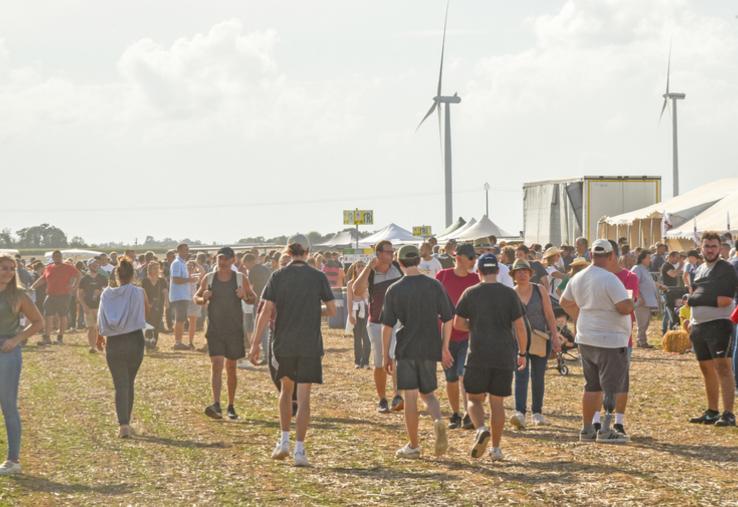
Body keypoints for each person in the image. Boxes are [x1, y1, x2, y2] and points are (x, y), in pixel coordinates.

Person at [249, 235, 336, 467]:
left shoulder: (278, 275)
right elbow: (332, 309)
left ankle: (284, 440)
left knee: (286, 392)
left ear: (288, 251)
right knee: (304, 397)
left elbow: (266, 311)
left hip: (284, 342)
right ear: (308, 251)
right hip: (310, 342)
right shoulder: (318, 276)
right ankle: (300, 450)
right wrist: (312, 309)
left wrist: (255, 343)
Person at [380, 245, 454, 459]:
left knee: (410, 397)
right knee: (429, 395)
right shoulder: (434, 285)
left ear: (400, 263)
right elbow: (448, 318)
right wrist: (445, 347)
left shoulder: (394, 289)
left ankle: (413, 445)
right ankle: (438, 420)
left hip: (406, 347)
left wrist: (386, 354)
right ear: (418, 261)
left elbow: (387, 326)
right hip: (430, 346)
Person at [453, 253, 527, 461]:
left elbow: (458, 323)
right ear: (497, 271)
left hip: (477, 353)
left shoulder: (470, 293)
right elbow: (520, 326)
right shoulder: (509, 294)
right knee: (497, 403)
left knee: (474, 400)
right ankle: (495, 448)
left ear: (478, 272)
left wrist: (474, 326)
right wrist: (522, 352)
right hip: (504, 354)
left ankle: (480, 429)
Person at [559, 239, 633, 444]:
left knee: (591, 385)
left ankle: (587, 429)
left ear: (591, 255)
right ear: (611, 256)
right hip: (610, 338)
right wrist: (631, 301)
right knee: (610, 385)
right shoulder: (610, 279)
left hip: (586, 337)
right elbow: (624, 308)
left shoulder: (578, 277)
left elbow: (564, 301)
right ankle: (606, 430)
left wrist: (579, 316)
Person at [194, 247, 257, 421]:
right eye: (219, 259)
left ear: (233, 260)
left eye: (225, 259)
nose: (221, 263)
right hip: (215, 329)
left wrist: (244, 296)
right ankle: (216, 404)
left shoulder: (240, 278)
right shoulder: (209, 278)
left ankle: (231, 405)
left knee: (231, 367)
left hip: (234, 329)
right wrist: (203, 298)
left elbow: (253, 298)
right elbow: (196, 298)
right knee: (216, 364)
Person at [687, 231, 738, 427]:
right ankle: (712, 411)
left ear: (720, 248)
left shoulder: (725, 269)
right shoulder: (699, 269)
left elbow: (725, 300)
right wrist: (691, 319)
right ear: (701, 248)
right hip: (698, 326)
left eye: (713, 246)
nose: (710, 250)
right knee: (706, 368)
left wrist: (694, 299)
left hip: (719, 324)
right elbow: (696, 295)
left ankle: (728, 413)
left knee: (723, 368)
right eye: (707, 246)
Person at [0, 256, 44, 475]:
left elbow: (38, 321)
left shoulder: (18, 295)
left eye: (11, 269)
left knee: (8, 405)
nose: (7, 272)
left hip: (7, 352)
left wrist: (16, 340)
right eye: (3, 268)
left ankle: (13, 460)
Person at [97, 259, 147, 438]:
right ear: (133, 274)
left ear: (116, 275)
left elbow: (100, 317)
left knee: (120, 384)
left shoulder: (106, 294)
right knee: (129, 382)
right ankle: (127, 421)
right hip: (134, 339)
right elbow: (146, 312)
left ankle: (123, 424)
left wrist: (99, 336)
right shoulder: (139, 292)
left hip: (114, 341)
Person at [353, 240, 404, 413]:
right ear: (379, 254)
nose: (392, 254)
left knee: (397, 357)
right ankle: (382, 399)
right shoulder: (371, 273)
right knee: (380, 362)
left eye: (392, 251)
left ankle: (398, 395)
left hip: (398, 321)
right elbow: (356, 290)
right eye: (389, 252)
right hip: (377, 322)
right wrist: (368, 267)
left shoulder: (398, 267)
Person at [509, 259, 561, 430]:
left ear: (530, 273)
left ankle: (537, 412)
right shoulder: (510, 293)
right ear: (513, 275)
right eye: (518, 271)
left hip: (539, 339)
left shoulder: (540, 290)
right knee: (521, 376)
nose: (522, 274)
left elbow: (549, 314)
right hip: (518, 342)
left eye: (525, 271)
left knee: (538, 376)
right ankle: (520, 413)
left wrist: (555, 336)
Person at [435, 243, 479, 430]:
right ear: (460, 258)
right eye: (472, 258)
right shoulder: (442, 276)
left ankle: (469, 413)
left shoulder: (476, 279)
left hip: (468, 335)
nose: (474, 261)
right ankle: (455, 414)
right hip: (445, 337)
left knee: (464, 375)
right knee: (451, 378)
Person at [31, 250, 80, 345]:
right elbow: (43, 279)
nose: (57, 257)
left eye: (58, 256)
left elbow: (78, 275)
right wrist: (32, 286)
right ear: (52, 258)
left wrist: (74, 286)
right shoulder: (48, 268)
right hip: (50, 295)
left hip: (64, 295)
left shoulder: (68, 267)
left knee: (63, 315)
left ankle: (60, 338)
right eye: (55, 256)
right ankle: (47, 337)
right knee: (47, 315)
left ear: (61, 257)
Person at [240, 253, 272, 368]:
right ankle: (270, 354)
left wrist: (244, 297)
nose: (245, 267)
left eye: (245, 265)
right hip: (270, 302)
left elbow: (250, 288)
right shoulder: (266, 269)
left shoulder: (253, 271)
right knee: (269, 329)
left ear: (250, 262)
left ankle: (267, 356)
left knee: (261, 328)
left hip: (259, 302)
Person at [169, 244, 196, 351]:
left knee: (181, 320)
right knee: (179, 320)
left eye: (188, 250)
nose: (187, 252)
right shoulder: (176, 263)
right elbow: (176, 279)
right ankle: (177, 343)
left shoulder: (182, 263)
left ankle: (178, 341)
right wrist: (190, 280)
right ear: (179, 250)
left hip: (183, 295)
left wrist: (190, 278)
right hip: (179, 296)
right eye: (185, 250)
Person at [77, 258, 108, 353]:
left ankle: (100, 343)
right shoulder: (84, 279)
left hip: (100, 306)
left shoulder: (103, 278)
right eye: (93, 265)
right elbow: (80, 294)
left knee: (101, 328)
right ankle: (92, 347)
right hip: (88, 307)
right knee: (91, 328)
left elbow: (108, 292)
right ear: (89, 266)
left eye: (97, 265)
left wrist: (101, 292)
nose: (95, 266)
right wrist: (84, 306)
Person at [631, 251, 659, 348]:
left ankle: (643, 340)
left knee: (645, 322)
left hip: (647, 300)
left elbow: (649, 283)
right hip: (641, 300)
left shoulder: (644, 269)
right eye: (648, 258)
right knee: (642, 322)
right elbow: (634, 283)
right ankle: (641, 341)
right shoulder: (637, 268)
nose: (650, 260)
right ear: (642, 259)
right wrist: (639, 296)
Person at [346, 261, 371, 369]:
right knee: (357, 337)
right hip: (355, 310)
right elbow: (349, 300)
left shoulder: (369, 282)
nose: (361, 268)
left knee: (366, 337)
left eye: (362, 266)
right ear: (355, 269)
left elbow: (369, 298)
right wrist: (350, 314)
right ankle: (357, 361)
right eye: (359, 266)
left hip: (366, 309)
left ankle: (366, 361)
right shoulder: (350, 283)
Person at [141, 261, 168, 349]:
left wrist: (166, 302)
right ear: (149, 270)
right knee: (148, 324)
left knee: (156, 324)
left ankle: (154, 343)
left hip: (158, 306)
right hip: (147, 306)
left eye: (158, 268)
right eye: (154, 268)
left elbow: (165, 292)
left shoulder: (162, 280)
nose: (156, 270)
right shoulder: (144, 281)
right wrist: (146, 304)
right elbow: (141, 293)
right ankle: (148, 342)